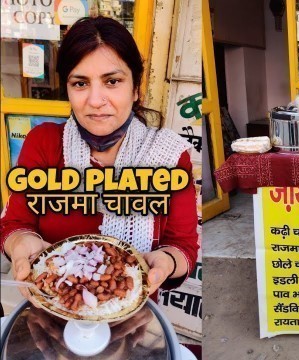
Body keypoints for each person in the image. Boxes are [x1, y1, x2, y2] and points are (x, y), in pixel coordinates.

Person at [0, 17, 199, 302]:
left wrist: (166, 261)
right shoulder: (43, 143)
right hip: (52, 307)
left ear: (135, 89)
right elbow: (15, 223)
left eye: (112, 81)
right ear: (67, 89)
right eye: (80, 83)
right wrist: (21, 243)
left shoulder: (169, 156)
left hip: (132, 319)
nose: (95, 100)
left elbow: (182, 245)